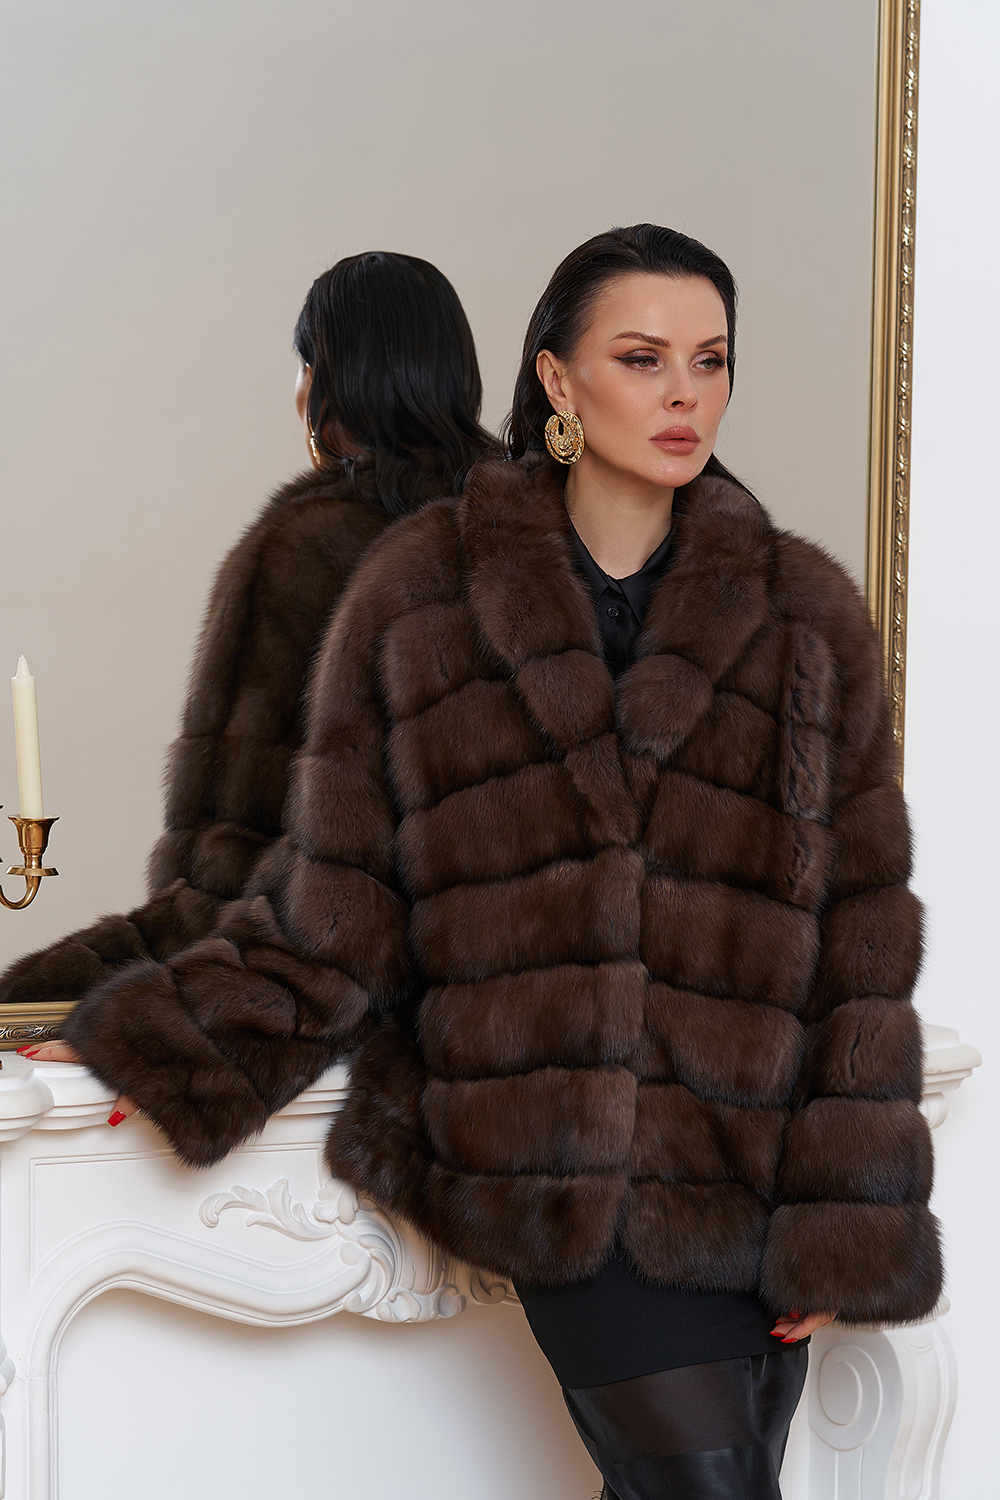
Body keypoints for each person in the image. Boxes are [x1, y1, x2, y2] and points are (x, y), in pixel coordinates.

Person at [20, 225, 940, 1500]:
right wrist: (156, 1034)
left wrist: (847, 1221)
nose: (684, 394)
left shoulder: (805, 615)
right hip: (570, 1175)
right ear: (557, 379)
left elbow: (860, 938)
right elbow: (337, 907)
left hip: (759, 1182)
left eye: (711, 360)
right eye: (642, 358)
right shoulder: (423, 598)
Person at [3, 249, 491, 1031]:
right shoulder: (531, 536)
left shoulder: (306, 549)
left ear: (329, 381)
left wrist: (35, 1003)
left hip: (312, 1015)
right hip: (494, 1014)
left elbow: (227, 873)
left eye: (305, 366)